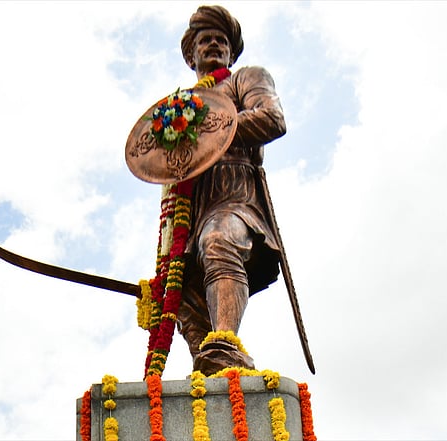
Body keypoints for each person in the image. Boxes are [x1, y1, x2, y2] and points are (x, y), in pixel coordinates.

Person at [174, 5, 287, 376]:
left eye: (221, 41)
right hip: (194, 205)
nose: (213, 45)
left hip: (237, 196)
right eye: (205, 40)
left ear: (231, 52)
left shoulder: (245, 80)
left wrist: (213, 130)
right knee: (178, 291)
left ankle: (225, 342)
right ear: (191, 54)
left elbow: (271, 118)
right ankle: (213, 368)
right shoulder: (180, 107)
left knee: (219, 240)